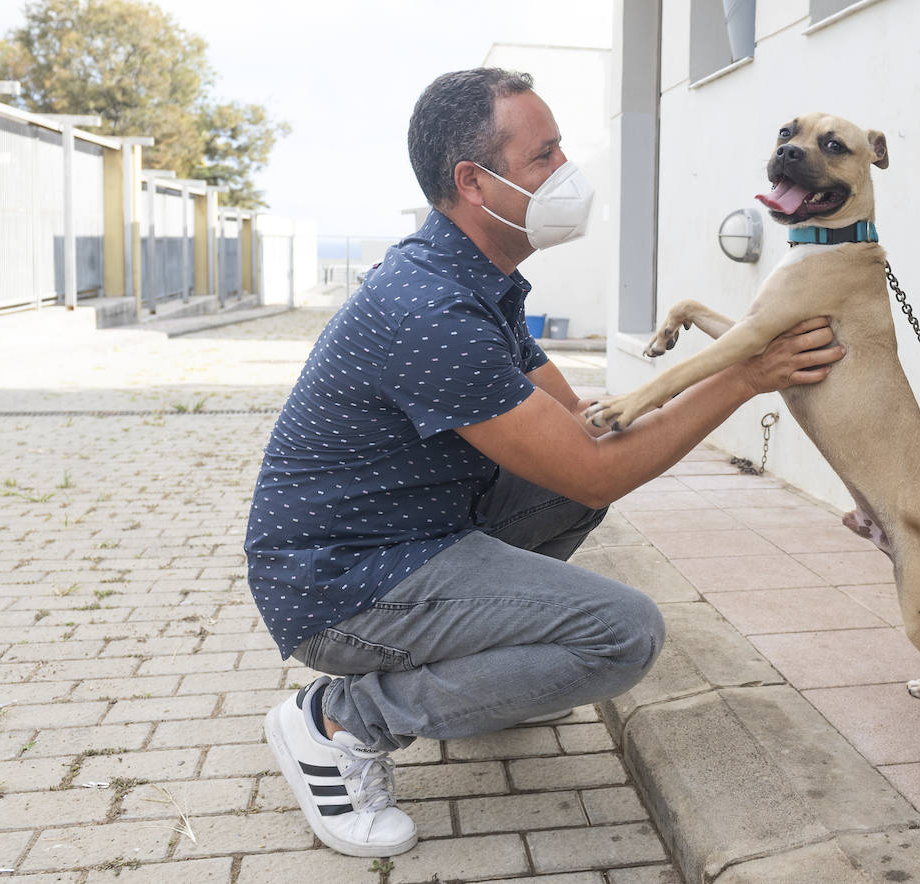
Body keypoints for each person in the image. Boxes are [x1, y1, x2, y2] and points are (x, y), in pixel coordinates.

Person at [245, 67, 843, 858]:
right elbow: (600, 467)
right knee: (620, 636)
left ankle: (494, 677)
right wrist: (745, 376)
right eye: (545, 155)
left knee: (566, 494)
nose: (568, 172)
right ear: (473, 182)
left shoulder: (475, 281)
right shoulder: (430, 310)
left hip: (415, 534)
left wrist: (717, 359)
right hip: (340, 583)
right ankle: (336, 723)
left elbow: (581, 436)